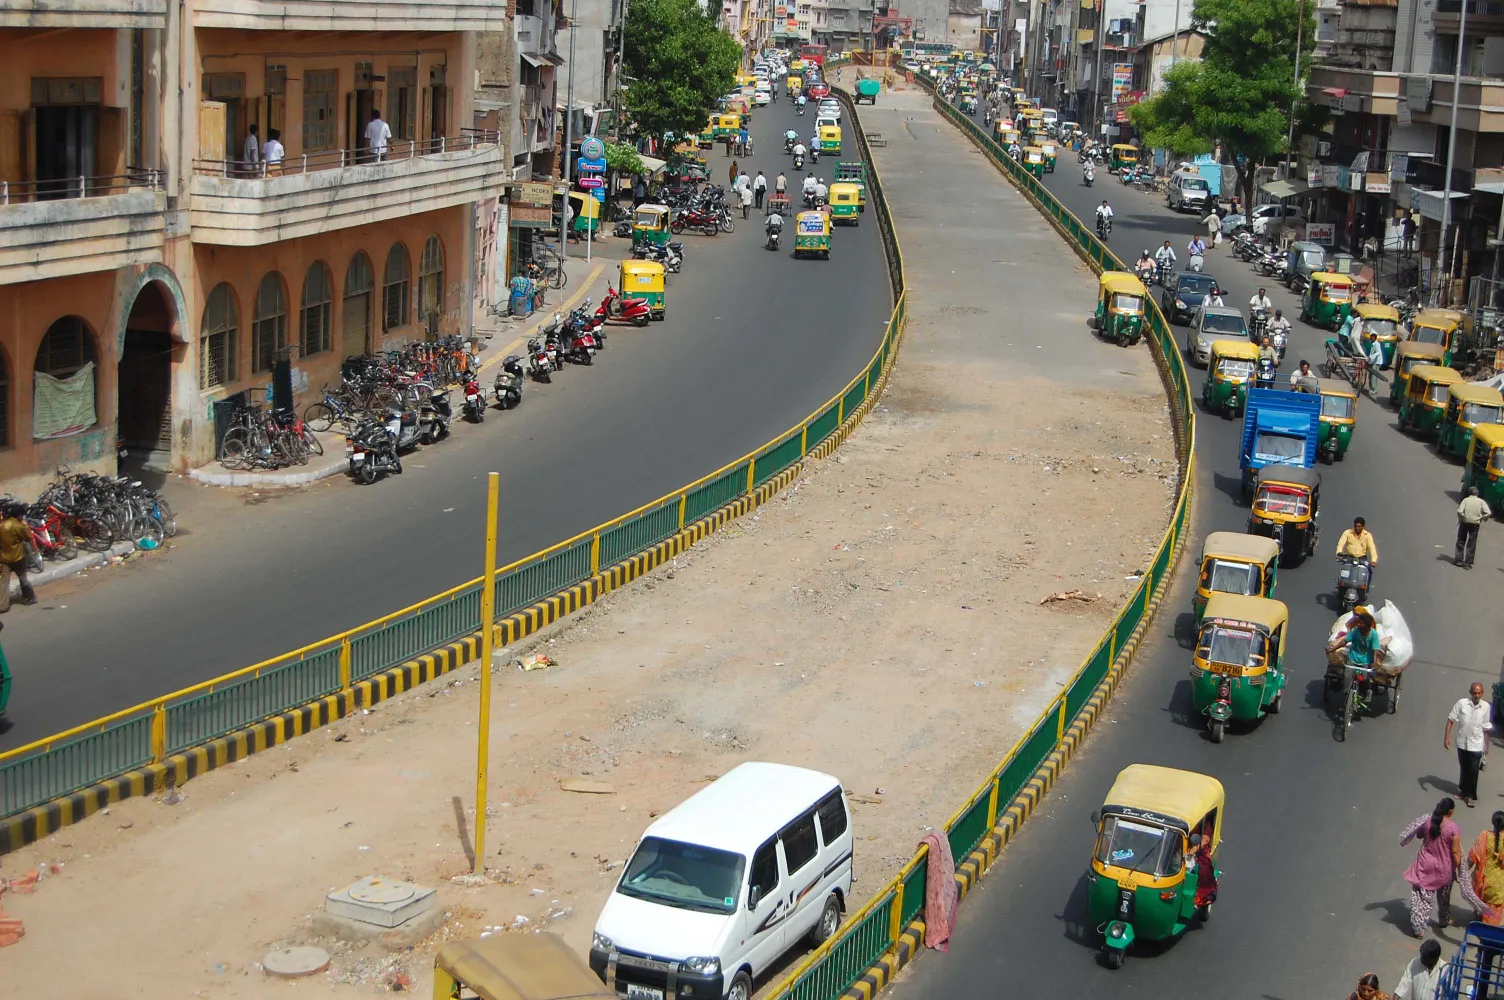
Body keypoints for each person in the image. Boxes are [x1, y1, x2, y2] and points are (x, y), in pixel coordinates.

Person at [1400, 798, 1461, 938]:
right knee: (1444, 896)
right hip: (1444, 869)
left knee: (1421, 897)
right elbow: (1456, 851)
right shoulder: (1454, 828)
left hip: (1424, 865)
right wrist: (1460, 870)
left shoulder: (1428, 821)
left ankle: (1418, 927)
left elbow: (1419, 834)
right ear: (1451, 812)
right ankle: (1444, 919)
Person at [1446, 683, 1494, 807]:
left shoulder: (1485, 707)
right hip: (1462, 742)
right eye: (1474, 693)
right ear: (1470, 692)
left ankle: (1470, 796)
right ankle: (1463, 791)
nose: (1476, 695)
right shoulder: (1462, 703)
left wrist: (1486, 745)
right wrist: (1447, 737)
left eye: (1479, 693)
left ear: (1482, 693)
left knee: (1473, 771)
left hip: (1477, 744)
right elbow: (1451, 719)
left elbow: (1486, 727)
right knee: (1464, 767)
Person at [1329, 607, 1385, 712]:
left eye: (1361, 623)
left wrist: (1373, 663)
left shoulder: (1373, 634)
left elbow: (1375, 650)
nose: (1358, 624)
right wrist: (1332, 649)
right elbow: (1344, 641)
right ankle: (1348, 697)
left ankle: (1367, 692)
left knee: (1364, 679)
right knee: (1346, 678)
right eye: (1358, 623)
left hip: (1365, 661)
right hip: (1352, 658)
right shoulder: (1355, 631)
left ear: (1368, 626)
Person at [1462, 812, 1504, 927]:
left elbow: (1472, 857)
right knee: (1491, 925)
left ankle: (1479, 916)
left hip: (1482, 884)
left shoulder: (1484, 836)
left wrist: (1462, 873)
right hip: (1499, 889)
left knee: (1480, 905)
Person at [0, 503, 36, 609]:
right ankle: (30, 597)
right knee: (23, 578)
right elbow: (28, 538)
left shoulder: (2, 525)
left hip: (4, 558)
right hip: (18, 558)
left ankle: (3, 606)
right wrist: (24, 525)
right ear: (19, 515)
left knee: (4, 581)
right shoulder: (18, 526)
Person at [1456, 486, 1492, 569]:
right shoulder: (1481, 502)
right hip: (1475, 524)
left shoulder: (1465, 500)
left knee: (1461, 540)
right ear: (1477, 493)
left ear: (1469, 493)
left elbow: (1459, 511)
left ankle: (1459, 560)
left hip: (1465, 522)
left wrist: (1461, 518)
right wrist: (1483, 518)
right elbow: (1488, 513)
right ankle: (1468, 563)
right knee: (1472, 543)